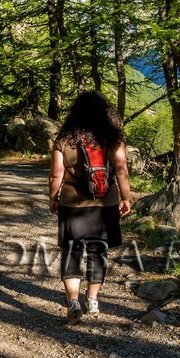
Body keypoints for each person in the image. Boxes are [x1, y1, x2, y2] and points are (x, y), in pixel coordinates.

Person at [48, 90, 134, 323]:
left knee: (72, 251)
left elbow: (56, 174)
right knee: (98, 250)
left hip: (71, 203)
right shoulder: (113, 138)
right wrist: (125, 198)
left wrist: (53, 198)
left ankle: (73, 301)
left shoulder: (64, 140)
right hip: (105, 204)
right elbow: (121, 170)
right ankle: (93, 300)